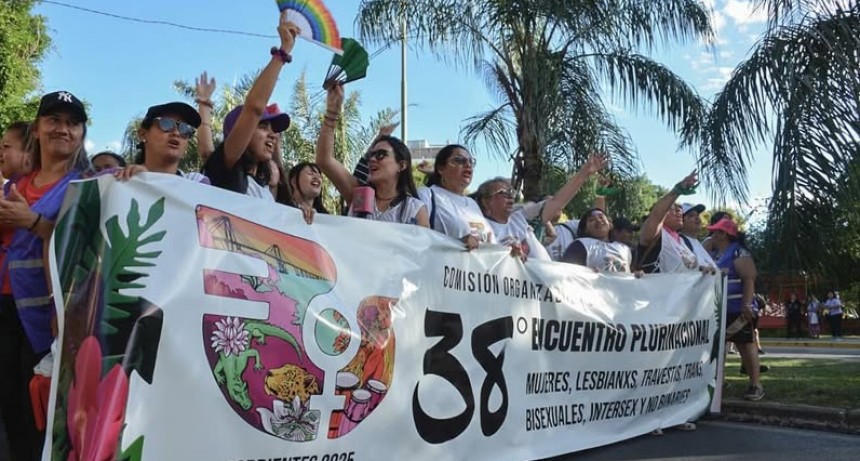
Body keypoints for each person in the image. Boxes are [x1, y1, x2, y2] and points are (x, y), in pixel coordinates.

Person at [0, 90, 90, 461]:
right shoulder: (12, 186)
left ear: (82, 133)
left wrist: (34, 222)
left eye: (72, 123)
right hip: (5, 313)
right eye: (53, 120)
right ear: (37, 129)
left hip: (49, 322)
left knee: (43, 419)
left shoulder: (90, 187)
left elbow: (88, 243)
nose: (62, 129)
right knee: (11, 412)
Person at [202, 12, 298, 200]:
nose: (272, 135)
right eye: (262, 127)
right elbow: (254, 107)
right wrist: (283, 51)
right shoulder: (226, 169)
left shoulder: (265, 194)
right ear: (238, 131)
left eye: (273, 130)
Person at [316, 85, 428, 226]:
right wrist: (332, 112)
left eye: (381, 155)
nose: (372, 159)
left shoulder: (414, 209)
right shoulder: (358, 196)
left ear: (401, 165)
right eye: (371, 155)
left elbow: (424, 247)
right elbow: (324, 160)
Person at [475, 154, 607, 261]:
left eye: (511, 193)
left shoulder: (521, 218)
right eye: (502, 193)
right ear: (486, 202)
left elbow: (557, 202)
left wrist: (584, 173)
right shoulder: (480, 229)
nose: (510, 197)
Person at [708, 217, 765, 401]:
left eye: (716, 232)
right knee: (718, 348)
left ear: (724, 234)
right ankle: (719, 383)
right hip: (719, 309)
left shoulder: (739, 253)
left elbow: (749, 279)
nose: (712, 235)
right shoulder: (715, 253)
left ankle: (755, 385)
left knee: (745, 346)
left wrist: (746, 305)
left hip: (738, 309)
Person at [418, 145, 493, 249]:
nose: (468, 165)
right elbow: (416, 238)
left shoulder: (472, 203)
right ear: (441, 168)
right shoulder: (426, 195)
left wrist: (508, 250)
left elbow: (490, 244)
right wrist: (458, 243)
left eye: (471, 162)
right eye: (459, 160)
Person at [114, 102, 209, 184]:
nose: (176, 133)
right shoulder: (116, 178)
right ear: (143, 134)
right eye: (166, 123)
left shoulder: (197, 184)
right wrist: (138, 182)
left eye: (185, 129)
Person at [637, 172, 711, 274]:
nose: (679, 212)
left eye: (680, 209)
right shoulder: (655, 235)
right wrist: (677, 190)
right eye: (673, 209)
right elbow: (657, 214)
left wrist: (702, 271)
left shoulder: (683, 242)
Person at [562, 208, 636, 273]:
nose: (598, 220)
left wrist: (638, 276)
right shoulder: (579, 245)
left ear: (610, 225)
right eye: (592, 220)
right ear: (585, 229)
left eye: (601, 217)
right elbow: (567, 273)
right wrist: (586, 273)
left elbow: (631, 275)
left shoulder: (624, 248)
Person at [680, 203, 717, 270]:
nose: (697, 218)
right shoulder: (680, 242)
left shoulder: (695, 242)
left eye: (697, 215)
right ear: (681, 221)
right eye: (691, 216)